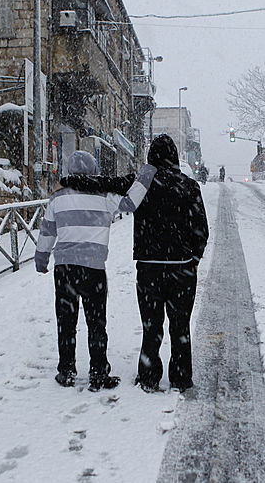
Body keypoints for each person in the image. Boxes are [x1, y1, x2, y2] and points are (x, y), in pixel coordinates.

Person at [60, 135, 209, 393]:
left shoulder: (141, 183)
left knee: (151, 326)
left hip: (149, 267)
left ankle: (149, 376)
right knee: (180, 325)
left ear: (151, 157)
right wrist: (193, 259)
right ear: (174, 156)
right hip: (182, 267)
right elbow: (201, 230)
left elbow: (105, 183)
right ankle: (181, 376)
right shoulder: (189, 186)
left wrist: (72, 181)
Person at [35, 151, 156, 391]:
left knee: (66, 322)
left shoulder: (58, 198)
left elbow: (47, 231)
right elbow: (132, 203)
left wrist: (42, 258)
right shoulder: (105, 197)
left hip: (65, 269)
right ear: (94, 171)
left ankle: (66, 370)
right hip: (93, 269)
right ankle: (99, 372)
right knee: (96, 323)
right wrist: (147, 173)